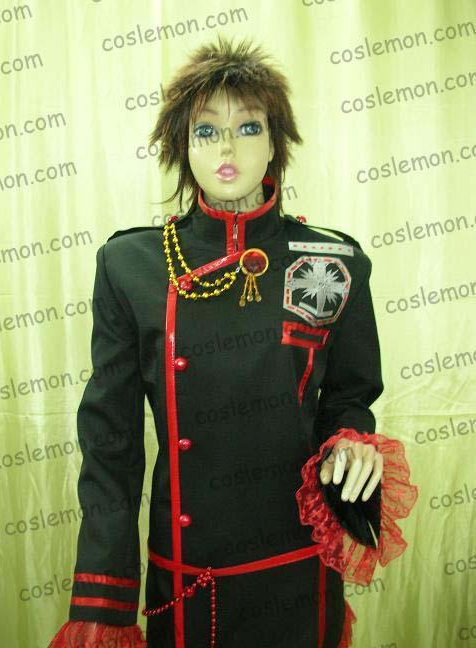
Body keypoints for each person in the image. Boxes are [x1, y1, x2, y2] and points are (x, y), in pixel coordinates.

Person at [48, 35, 417, 648]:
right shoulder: (130, 265)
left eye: (248, 127)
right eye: (205, 130)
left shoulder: (333, 261)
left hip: (299, 570)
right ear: (182, 146)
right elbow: (110, 443)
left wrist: (350, 440)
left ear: (275, 143)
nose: (227, 147)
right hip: (188, 576)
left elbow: (349, 396)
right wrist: (104, 597)